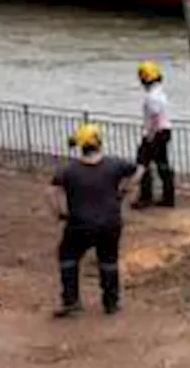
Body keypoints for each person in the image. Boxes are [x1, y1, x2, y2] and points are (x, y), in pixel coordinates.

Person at [49, 123, 145, 318]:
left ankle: (71, 300)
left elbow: (51, 192)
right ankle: (111, 302)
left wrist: (60, 213)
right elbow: (140, 170)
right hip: (110, 223)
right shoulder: (115, 164)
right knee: (108, 261)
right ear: (99, 143)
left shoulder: (69, 170)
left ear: (80, 146)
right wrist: (126, 190)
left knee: (68, 257)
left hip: (79, 224)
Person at [132, 60, 175, 209]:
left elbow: (155, 118)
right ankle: (168, 197)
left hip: (155, 133)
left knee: (142, 163)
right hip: (164, 131)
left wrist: (149, 136)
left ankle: (145, 197)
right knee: (162, 164)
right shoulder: (160, 93)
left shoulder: (152, 97)